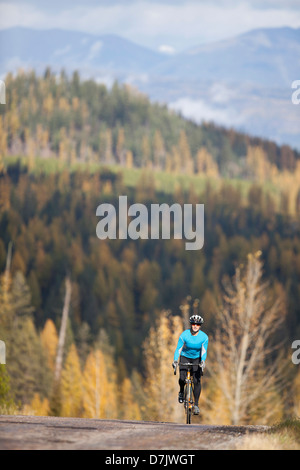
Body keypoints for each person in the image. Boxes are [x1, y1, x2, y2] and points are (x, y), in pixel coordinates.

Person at [172, 314, 208, 415]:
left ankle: (196, 404)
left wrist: (203, 361)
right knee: (182, 378)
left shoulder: (204, 337)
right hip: (185, 356)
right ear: (191, 325)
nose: (195, 326)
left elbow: (204, 351)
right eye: (193, 324)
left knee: (197, 381)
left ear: (200, 326)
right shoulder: (184, 335)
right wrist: (175, 360)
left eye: (197, 324)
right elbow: (178, 348)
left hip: (197, 359)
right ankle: (181, 392)